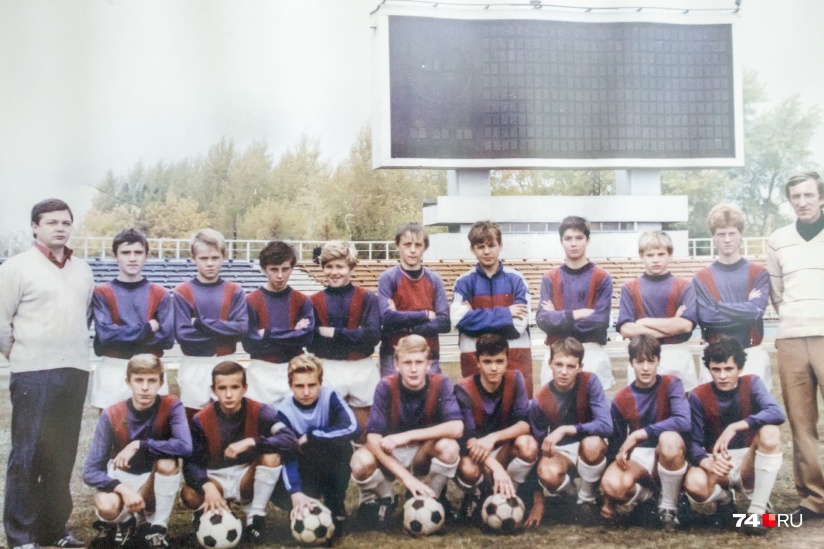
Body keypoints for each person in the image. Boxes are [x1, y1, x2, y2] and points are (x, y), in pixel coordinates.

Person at [0, 198, 94, 549]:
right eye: (52, 222)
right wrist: (21, 353)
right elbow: (1, 322)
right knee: (27, 455)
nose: (60, 228)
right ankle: (21, 536)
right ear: (35, 227)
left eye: (65, 222)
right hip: (33, 373)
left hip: (74, 370)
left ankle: (54, 530)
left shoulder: (83, 269)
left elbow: (84, 315)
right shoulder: (16, 267)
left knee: (62, 454)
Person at [349, 335, 463, 530]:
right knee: (360, 462)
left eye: (419, 362)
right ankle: (386, 498)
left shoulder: (441, 383)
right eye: (407, 363)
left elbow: (457, 427)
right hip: (392, 451)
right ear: (396, 365)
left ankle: (432, 497)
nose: (413, 369)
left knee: (449, 448)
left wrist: (407, 436)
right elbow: (373, 437)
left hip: (423, 452)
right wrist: (406, 478)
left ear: (428, 365)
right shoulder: (386, 386)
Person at [181, 361, 297, 543]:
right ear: (213, 390)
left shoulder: (261, 411)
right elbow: (190, 463)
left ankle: (256, 517)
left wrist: (252, 442)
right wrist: (207, 485)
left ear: (245, 388)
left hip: (246, 475)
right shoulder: (200, 419)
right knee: (189, 494)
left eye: (235, 387)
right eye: (222, 388)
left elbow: (289, 439)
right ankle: (205, 515)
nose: (228, 394)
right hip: (216, 477)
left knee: (271, 456)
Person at [83, 355, 192, 548]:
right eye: (139, 380)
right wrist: (122, 488)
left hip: (153, 481)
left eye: (152, 381)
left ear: (161, 383)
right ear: (128, 382)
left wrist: (139, 444)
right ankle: (126, 523)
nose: (145, 387)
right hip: (123, 478)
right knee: (106, 505)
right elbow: (90, 471)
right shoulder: (112, 413)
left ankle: (157, 529)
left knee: (168, 463)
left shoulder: (171, 405)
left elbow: (185, 447)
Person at [684, 336, 785, 535]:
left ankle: (758, 511)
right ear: (709, 369)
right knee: (694, 484)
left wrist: (736, 426)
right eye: (716, 369)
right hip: (718, 463)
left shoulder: (752, 383)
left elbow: (777, 413)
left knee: (770, 432)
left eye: (728, 369)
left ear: (740, 367)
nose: (722, 376)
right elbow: (692, 442)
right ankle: (725, 500)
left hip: (749, 461)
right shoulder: (698, 395)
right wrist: (706, 462)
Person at [766, 171, 824, 519]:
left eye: (808, 195)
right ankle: (815, 497)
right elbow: (777, 294)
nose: (802, 202)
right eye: (796, 197)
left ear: (821, 197)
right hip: (791, 338)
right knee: (801, 423)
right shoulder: (778, 240)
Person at [600, 335, 690, 531]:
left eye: (651, 360)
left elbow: (683, 421)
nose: (646, 368)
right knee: (613, 485)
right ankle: (649, 497)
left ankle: (669, 507)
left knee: (669, 439)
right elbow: (616, 446)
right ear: (631, 363)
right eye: (640, 361)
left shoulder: (672, 384)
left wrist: (640, 434)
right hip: (639, 459)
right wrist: (609, 500)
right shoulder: (621, 398)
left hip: (668, 453)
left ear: (658, 361)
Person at [524, 337, 612, 527]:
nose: (564, 372)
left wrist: (566, 429)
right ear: (550, 363)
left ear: (580, 367)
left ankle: (587, 499)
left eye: (571, 366)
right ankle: (571, 498)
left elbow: (606, 425)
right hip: (562, 451)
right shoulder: (541, 400)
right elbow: (536, 451)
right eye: (559, 365)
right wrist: (538, 501)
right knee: (546, 471)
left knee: (592, 444)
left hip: (589, 446)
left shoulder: (590, 382)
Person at [272, 352, 359, 530]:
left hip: (326, 462)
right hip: (301, 465)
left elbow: (352, 427)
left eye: (312, 385)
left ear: (320, 383)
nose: (306, 392)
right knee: (278, 456)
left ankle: (335, 502)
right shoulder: (282, 411)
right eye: (299, 386)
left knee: (342, 445)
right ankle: (299, 505)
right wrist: (295, 491)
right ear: (290, 385)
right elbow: (287, 455)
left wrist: (312, 436)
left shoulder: (329, 396)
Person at [453, 333, 535, 522]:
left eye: (499, 361)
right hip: (476, 452)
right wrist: (496, 467)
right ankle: (475, 495)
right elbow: (468, 438)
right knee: (468, 470)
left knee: (528, 444)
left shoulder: (516, 379)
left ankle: (510, 491)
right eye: (487, 362)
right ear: (477, 362)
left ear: (507, 361)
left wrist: (492, 438)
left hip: (500, 446)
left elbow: (524, 424)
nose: (494, 368)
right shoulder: (464, 389)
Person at [90, 228, 174, 409]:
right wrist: (147, 329)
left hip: (150, 368)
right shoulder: (102, 293)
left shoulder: (160, 294)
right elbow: (106, 336)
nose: (132, 258)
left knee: (153, 425)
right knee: (112, 424)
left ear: (147, 256)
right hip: (113, 368)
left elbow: (166, 339)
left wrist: (121, 334)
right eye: (126, 253)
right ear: (115, 256)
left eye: (138, 252)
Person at [308, 241, 381, 441]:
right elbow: (312, 341)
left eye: (339, 266)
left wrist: (334, 333)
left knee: (364, 430)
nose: (334, 272)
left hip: (362, 367)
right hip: (328, 366)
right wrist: (354, 335)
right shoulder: (313, 301)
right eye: (329, 266)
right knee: (332, 428)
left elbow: (372, 336)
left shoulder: (368, 298)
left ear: (351, 267)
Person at [451, 220, 534, 396]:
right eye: (480, 247)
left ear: (500, 246)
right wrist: (506, 313)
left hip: (514, 360)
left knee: (517, 410)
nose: (487, 251)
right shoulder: (463, 282)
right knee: (477, 410)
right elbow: (459, 319)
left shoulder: (517, 280)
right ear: (472, 249)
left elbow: (518, 326)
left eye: (491, 245)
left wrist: (475, 318)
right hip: (475, 362)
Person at [693, 203, 771, 387]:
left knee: (754, 405)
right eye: (721, 234)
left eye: (732, 233)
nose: (727, 240)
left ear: (740, 234)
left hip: (751, 352)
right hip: (714, 355)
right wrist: (745, 308)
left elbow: (755, 312)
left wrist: (719, 306)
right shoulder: (702, 277)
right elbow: (707, 318)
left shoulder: (758, 273)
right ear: (713, 237)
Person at [174, 229, 248, 419]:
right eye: (203, 258)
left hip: (226, 361)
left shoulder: (234, 291)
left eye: (215, 258)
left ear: (223, 257)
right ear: (193, 258)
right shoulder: (183, 291)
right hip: (194, 364)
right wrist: (224, 331)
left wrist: (200, 323)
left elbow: (241, 328)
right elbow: (184, 335)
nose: (209, 263)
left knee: (228, 419)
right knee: (193, 420)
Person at [536, 216, 614, 389]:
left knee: (591, 404)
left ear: (587, 240)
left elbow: (600, 322)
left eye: (579, 238)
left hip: (591, 351)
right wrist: (576, 314)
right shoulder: (550, 278)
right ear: (561, 241)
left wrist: (558, 317)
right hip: (556, 352)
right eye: (568, 238)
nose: (573, 243)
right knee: (555, 405)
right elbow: (542, 320)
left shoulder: (602, 277)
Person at [617, 230, 700, 391]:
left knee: (681, 402)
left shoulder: (684, 286)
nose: (656, 259)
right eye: (650, 255)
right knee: (642, 403)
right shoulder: (630, 288)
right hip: (641, 354)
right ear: (641, 256)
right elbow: (626, 330)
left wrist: (644, 322)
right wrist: (672, 324)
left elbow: (686, 326)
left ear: (670, 255)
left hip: (676, 353)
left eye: (661, 254)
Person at [242, 240, 314, 407]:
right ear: (264, 269)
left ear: (292, 268)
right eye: (274, 269)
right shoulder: (250, 301)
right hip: (261, 372)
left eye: (285, 269)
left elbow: (306, 339)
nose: (280, 275)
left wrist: (267, 334)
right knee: (263, 420)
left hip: (294, 369)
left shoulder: (302, 300)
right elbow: (250, 344)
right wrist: (292, 333)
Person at [378, 223, 450, 376]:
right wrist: (425, 315)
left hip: (428, 355)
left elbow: (444, 322)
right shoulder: (388, 278)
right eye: (407, 244)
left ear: (425, 247)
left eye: (418, 245)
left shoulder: (434, 279)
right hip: (394, 355)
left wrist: (409, 328)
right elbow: (386, 318)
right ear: (397, 245)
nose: (412, 250)